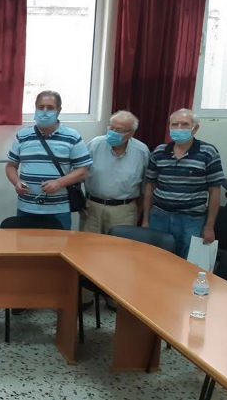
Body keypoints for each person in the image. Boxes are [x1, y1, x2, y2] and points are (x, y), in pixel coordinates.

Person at [80, 110, 149, 310]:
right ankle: (84, 297)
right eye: (111, 127)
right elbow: (79, 172)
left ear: (131, 133)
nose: (113, 132)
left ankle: (114, 298)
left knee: (120, 257)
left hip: (124, 209)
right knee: (87, 254)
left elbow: (146, 186)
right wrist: (80, 203)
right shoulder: (95, 144)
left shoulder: (142, 151)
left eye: (119, 130)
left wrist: (140, 213)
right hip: (93, 206)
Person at [142, 108, 225, 258]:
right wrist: (146, 220)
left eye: (185, 124)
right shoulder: (159, 151)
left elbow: (215, 191)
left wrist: (209, 226)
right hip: (159, 216)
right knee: (154, 258)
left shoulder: (208, 152)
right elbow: (150, 187)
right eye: (174, 124)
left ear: (195, 128)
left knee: (186, 261)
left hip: (191, 219)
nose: (179, 128)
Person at [6, 90, 92, 230]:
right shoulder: (22, 136)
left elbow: (83, 170)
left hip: (58, 210)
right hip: (26, 207)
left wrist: (59, 183)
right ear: (35, 108)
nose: (45, 111)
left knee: (58, 243)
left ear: (58, 110)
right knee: (24, 243)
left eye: (50, 107)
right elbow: (11, 166)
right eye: (41, 107)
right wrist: (16, 182)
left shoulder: (72, 137)